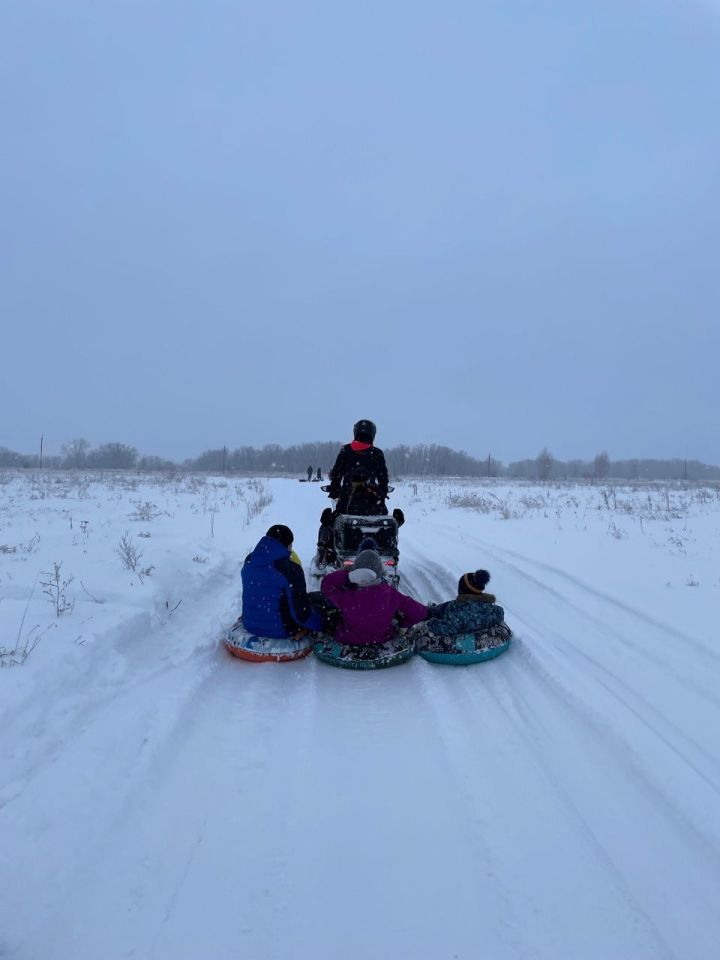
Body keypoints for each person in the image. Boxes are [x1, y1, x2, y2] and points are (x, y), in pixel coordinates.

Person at [316, 419, 403, 563]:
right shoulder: (377, 453)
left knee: (330, 523)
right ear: (373, 434)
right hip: (375, 504)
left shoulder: (346, 450)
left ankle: (325, 556)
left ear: (355, 432)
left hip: (346, 502)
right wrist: (381, 492)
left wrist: (334, 489)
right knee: (383, 524)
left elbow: (337, 474)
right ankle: (381, 551)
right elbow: (383, 478)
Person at [321, 548, 427, 646]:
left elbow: (326, 584)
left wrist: (347, 574)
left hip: (347, 639)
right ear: (380, 571)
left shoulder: (345, 596)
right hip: (383, 640)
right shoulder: (391, 594)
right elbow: (420, 612)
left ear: (356, 571)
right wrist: (403, 624)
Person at [242, 524, 324, 639]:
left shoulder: (249, 560)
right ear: (288, 544)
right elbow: (301, 615)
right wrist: (323, 624)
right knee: (317, 604)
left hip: (249, 624)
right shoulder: (291, 569)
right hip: (280, 630)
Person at [422, 570, 505, 635]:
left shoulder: (457, 609)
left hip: (450, 612)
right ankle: (434, 608)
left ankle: (425, 610)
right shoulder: (490, 607)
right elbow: (500, 612)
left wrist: (430, 624)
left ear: (462, 590)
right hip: (468, 607)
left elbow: (449, 628)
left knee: (440, 609)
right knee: (446, 606)